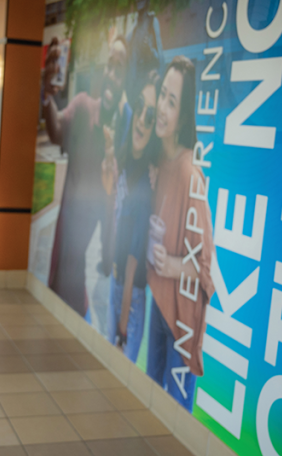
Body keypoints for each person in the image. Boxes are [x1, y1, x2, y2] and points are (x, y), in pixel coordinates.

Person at [42, 36, 131, 317]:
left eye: (120, 70)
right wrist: (48, 96)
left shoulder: (127, 128)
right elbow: (56, 131)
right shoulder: (82, 107)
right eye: (109, 66)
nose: (111, 75)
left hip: (99, 249)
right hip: (68, 238)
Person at [146, 56, 215, 411]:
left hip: (181, 320)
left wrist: (172, 265)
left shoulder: (191, 174)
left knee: (174, 415)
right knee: (150, 409)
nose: (161, 107)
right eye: (162, 95)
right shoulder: (159, 163)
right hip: (158, 304)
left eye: (172, 102)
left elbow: (206, 267)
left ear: (184, 115)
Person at [101, 71, 160, 362]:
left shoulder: (147, 182)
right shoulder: (127, 161)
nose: (141, 119)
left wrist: (124, 325)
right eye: (140, 107)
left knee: (121, 366)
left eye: (151, 116)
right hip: (116, 279)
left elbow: (135, 257)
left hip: (130, 293)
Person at [126, 0, 165, 105]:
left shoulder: (152, 22)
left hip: (145, 99)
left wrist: (150, 52)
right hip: (131, 98)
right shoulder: (131, 32)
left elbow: (160, 61)